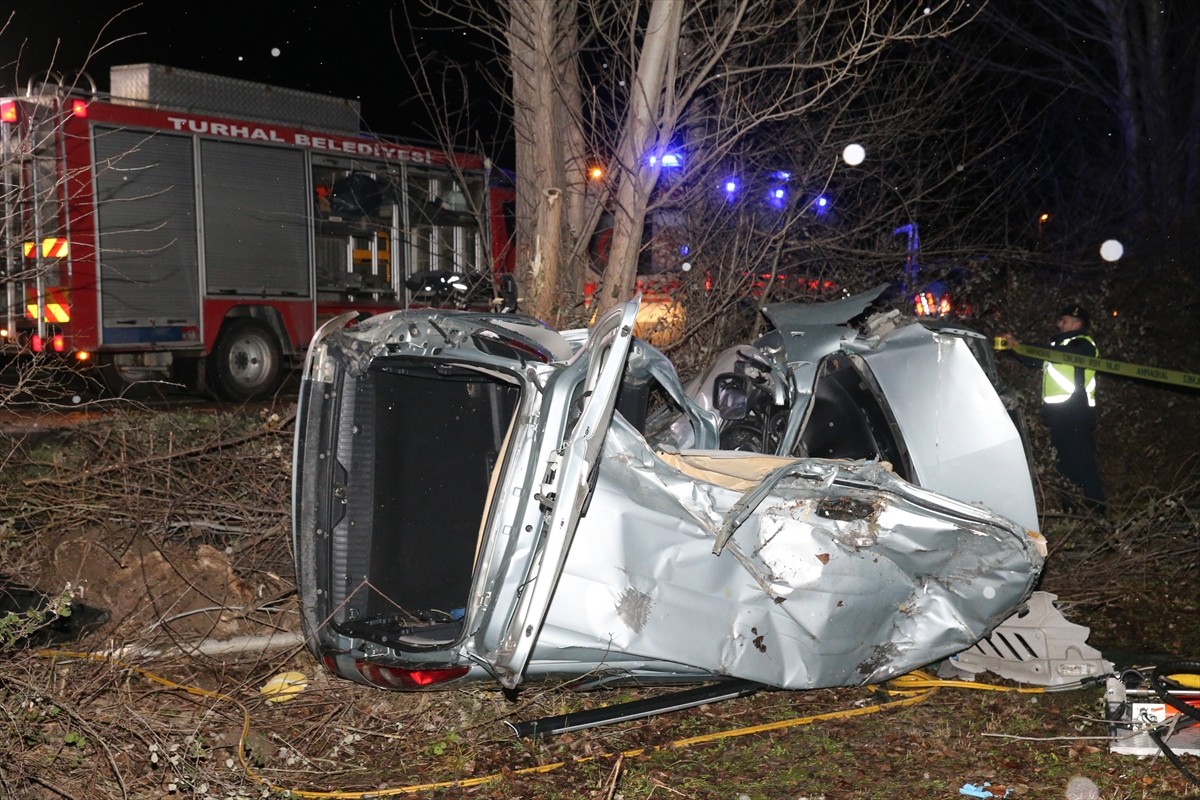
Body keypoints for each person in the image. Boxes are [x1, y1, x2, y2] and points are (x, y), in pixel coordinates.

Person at [1004, 304, 1107, 513]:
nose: (1059, 324)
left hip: (1076, 413)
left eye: (1064, 320)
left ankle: (1098, 512)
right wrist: (1017, 348)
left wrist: (1024, 345)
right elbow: (1035, 359)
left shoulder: (1083, 344)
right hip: (1060, 415)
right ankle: (1070, 511)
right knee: (1064, 465)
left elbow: (1061, 354)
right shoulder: (1056, 347)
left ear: (1077, 324)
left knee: (1083, 462)